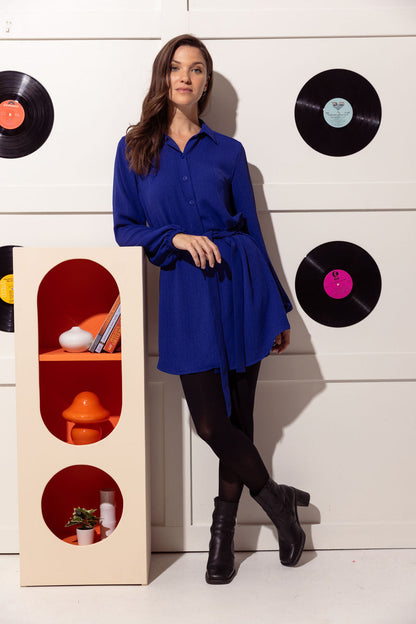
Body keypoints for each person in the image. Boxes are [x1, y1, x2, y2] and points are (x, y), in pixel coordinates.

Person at [112, 33, 310, 584]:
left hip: (241, 286)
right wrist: (173, 238)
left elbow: (251, 228)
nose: (186, 76)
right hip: (184, 297)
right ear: (162, 76)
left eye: (197, 69)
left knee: (239, 419)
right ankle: (278, 502)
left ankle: (220, 537)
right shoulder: (133, 149)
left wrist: (278, 311)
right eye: (176, 67)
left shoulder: (228, 151)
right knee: (210, 421)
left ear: (206, 82)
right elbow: (126, 230)